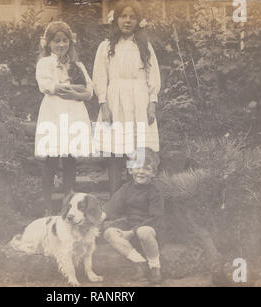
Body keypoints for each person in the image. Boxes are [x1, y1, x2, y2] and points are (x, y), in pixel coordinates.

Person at [92, 0, 161, 195]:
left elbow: (152, 75)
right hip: (115, 101)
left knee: (138, 152)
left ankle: (135, 201)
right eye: (123, 16)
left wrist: (152, 104)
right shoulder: (106, 47)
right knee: (115, 153)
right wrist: (104, 104)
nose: (128, 21)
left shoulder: (144, 47)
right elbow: (100, 76)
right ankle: (115, 199)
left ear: (139, 21)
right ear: (116, 19)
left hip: (139, 102)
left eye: (132, 17)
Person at [35, 21, 94, 214]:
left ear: (70, 42)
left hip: (74, 113)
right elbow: (46, 85)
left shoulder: (77, 64)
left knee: (70, 159)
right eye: (56, 41)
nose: (61, 45)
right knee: (51, 159)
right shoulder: (45, 63)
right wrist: (63, 86)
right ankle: (48, 205)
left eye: (65, 41)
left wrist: (75, 93)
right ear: (48, 43)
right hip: (53, 113)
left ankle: (68, 205)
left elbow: (89, 90)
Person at [102, 148, 165, 284]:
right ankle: (140, 263)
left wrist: (131, 233)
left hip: (152, 231)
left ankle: (155, 266)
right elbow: (113, 204)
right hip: (131, 226)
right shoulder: (127, 187)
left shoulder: (155, 191)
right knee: (109, 233)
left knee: (144, 231)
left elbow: (156, 217)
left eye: (147, 169)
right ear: (130, 170)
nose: (141, 172)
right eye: (137, 167)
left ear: (154, 173)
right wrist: (101, 215)